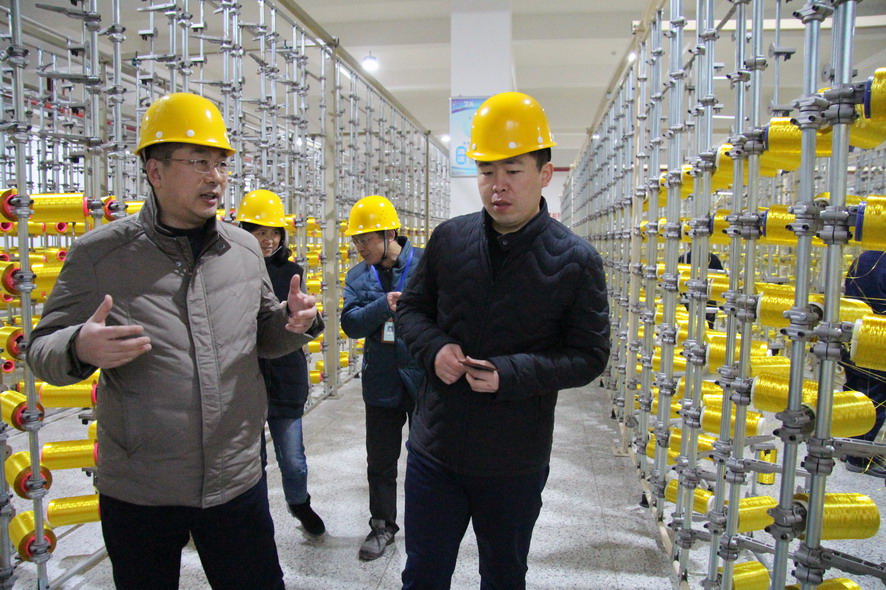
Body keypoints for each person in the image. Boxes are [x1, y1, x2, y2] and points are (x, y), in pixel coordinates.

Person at [27, 92, 323, 590]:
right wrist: (78, 346)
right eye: (199, 162)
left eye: (221, 164)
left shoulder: (243, 249)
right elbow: (40, 349)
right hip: (142, 488)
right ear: (155, 171)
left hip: (235, 477)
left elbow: (261, 336)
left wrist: (294, 323)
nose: (216, 177)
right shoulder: (100, 255)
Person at [396, 91, 611, 589]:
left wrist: (511, 374)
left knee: (504, 574)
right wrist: (434, 348)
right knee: (423, 574)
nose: (498, 186)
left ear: (545, 173)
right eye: (486, 171)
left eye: (513, 171)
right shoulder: (449, 239)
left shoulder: (577, 260)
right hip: (435, 448)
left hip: (514, 459)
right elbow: (411, 310)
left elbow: (589, 355)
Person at [238, 188, 326, 536]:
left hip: (286, 376)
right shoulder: (229, 271)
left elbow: (303, 321)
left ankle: (299, 504)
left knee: (293, 461)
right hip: (245, 379)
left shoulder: (292, 271)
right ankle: (255, 521)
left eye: (274, 233)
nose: (268, 240)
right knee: (252, 463)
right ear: (244, 231)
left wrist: (307, 318)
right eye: (260, 232)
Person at [340, 195, 424, 561]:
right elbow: (350, 324)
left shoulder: (425, 265)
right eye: (356, 240)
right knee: (381, 462)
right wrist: (382, 304)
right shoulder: (358, 276)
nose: (359, 247)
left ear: (390, 233)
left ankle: (426, 524)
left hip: (423, 378)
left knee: (427, 460)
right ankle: (382, 526)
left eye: (365, 239)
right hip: (381, 381)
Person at [841, 249, 886, 477]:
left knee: (854, 391)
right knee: (875, 396)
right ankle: (858, 458)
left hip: (853, 336)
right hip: (877, 342)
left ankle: (844, 445)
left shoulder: (866, 257)